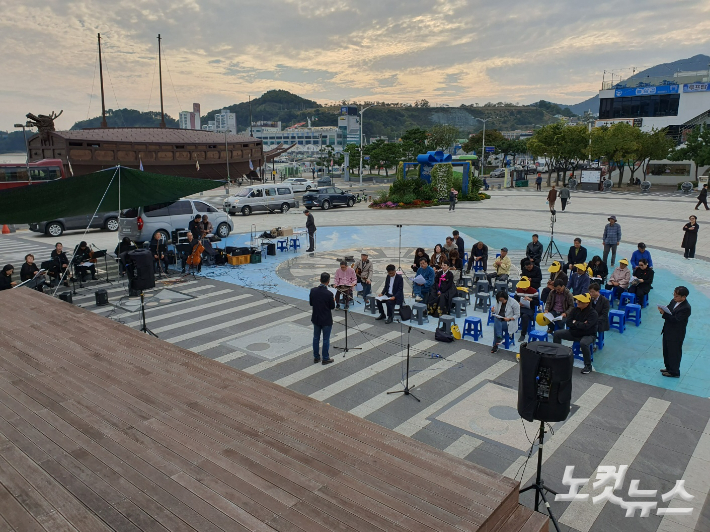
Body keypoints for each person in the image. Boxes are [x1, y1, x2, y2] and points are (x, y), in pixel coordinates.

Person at [553, 293, 598, 375]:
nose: (577, 302)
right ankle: (557, 356)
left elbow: (586, 327)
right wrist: (579, 324)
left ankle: (588, 365)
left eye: (580, 301)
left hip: (588, 335)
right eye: (578, 300)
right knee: (557, 334)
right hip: (574, 333)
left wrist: (575, 322)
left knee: (583, 343)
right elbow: (569, 322)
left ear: (587, 303)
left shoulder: (593, 314)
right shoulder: (575, 310)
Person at [659, 286, 691, 378]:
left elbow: (676, 320)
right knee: (666, 351)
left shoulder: (686, 308)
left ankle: (674, 371)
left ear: (683, 297)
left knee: (674, 353)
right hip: (667, 330)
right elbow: (669, 309)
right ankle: (669, 368)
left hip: (676, 334)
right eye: (674, 295)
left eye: (676, 296)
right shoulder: (674, 301)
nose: (674, 297)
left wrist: (664, 314)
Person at [310, 272, 336, 365]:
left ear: (320, 280)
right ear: (328, 282)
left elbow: (311, 303)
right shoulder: (329, 294)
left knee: (316, 338)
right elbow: (332, 307)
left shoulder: (313, 290)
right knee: (326, 339)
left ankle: (316, 357)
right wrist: (333, 300)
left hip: (316, 318)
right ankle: (325, 358)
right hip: (326, 319)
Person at [515, 277, 539, 342]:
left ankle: (523, 334)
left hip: (529, 309)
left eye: (525, 287)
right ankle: (510, 331)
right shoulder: (518, 290)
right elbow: (515, 300)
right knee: (511, 313)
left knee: (524, 316)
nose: (523, 288)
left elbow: (537, 303)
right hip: (520, 308)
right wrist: (518, 303)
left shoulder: (534, 291)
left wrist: (531, 300)